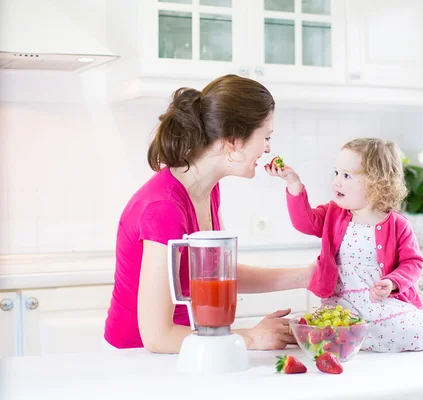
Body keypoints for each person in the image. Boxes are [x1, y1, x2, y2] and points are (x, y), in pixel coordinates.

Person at [104, 75, 314, 353]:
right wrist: (250, 337)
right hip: (140, 359)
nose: (267, 148)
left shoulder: (206, 190)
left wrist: (306, 277)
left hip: (191, 347)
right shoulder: (165, 207)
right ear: (233, 141)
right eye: (265, 137)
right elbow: (157, 337)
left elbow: (217, 273)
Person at [266, 137, 423, 352]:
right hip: (341, 305)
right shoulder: (333, 213)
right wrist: (294, 185)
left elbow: (413, 264)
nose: (337, 182)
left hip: (378, 306)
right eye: (336, 173)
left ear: (376, 182)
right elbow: (304, 223)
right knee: (320, 331)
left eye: (346, 175)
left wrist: (391, 283)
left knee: (401, 329)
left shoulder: (398, 225)